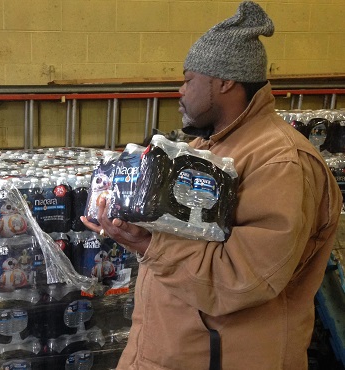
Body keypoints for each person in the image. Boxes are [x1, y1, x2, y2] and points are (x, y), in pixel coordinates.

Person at [82, 2, 342, 369]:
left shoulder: (281, 162)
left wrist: (148, 244)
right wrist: (129, 220)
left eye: (189, 80)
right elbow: (183, 245)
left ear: (224, 81)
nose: (180, 90)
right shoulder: (206, 148)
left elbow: (242, 279)